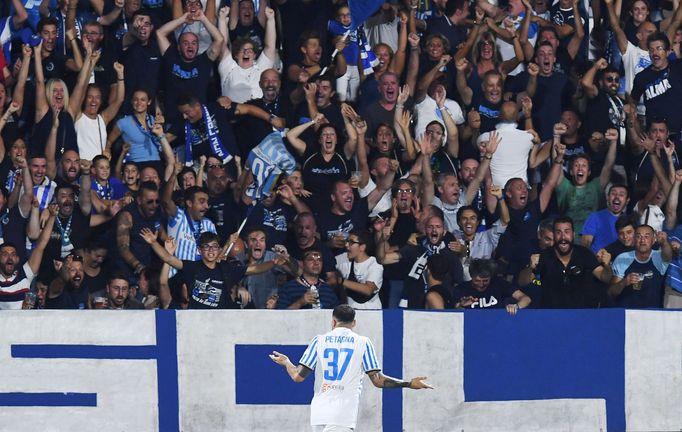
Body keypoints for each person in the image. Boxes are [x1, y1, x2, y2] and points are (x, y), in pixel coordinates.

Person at [269, 304, 433, 431]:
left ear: (333, 322)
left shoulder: (319, 340)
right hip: (343, 413)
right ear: (354, 322)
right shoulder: (363, 342)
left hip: (319, 413)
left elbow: (298, 376)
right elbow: (378, 381)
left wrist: (287, 362)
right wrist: (409, 383)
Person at [609, 224, 672, 307]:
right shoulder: (622, 258)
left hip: (652, 314)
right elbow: (611, 292)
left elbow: (668, 255)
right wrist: (624, 282)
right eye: (639, 237)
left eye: (646, 237)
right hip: (627, 315)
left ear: (653, 240)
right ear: (634, 240)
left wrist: (664, 242)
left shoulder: (659, 257)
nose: (642, 240)